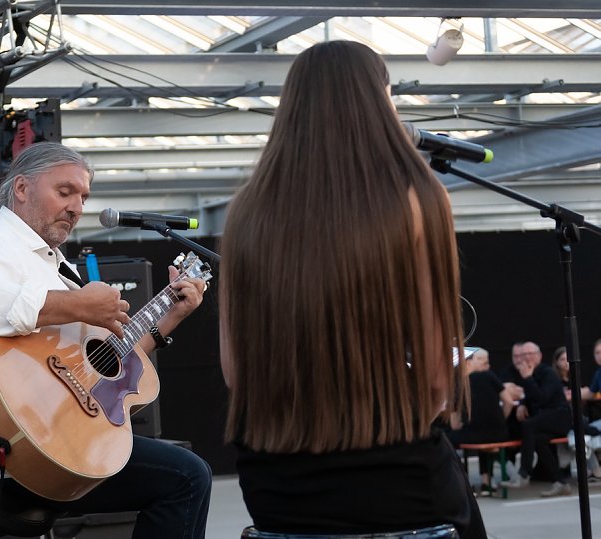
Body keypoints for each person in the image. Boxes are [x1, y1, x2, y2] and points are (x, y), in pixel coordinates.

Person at [218, 40, 485, 538]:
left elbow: (237, 374)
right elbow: (434, 377)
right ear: (378, 100)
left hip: (276, 487)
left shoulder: (247, 211)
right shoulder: (418, 197)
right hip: (396, 481)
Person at [0, 141, 212, 539]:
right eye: (64, 192)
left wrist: (171, 313)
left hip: (53, 442)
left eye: (83, 197)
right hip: (6, 458)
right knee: (187, 477)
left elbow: (105, 362)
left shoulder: (53, 262)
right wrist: (77, 305)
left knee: (183, 471)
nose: (77, 207)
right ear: (21, 189)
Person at [499, 341, 573, 496]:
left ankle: (524, 474)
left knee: (528, 426)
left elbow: (543, 399)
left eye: (530, 354)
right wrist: (522, 404)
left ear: (539, 355)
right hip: (545, 419)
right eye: (523, 355)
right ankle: (560, 482)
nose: (526, 358)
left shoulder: (547, 373)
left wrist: (527, 379)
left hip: (560, 418)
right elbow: (530, 397)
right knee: (538, 440)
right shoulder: (528, 375)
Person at [447, 348, 513, 496]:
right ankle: (486, 481)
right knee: (483, 434)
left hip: (474, 435)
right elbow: (508, 401)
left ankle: (464, 483)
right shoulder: (490, 376)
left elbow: (455, 424)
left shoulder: (458, 385)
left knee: (449, 440)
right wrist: (501, 420)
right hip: (499, 433)